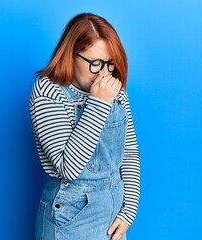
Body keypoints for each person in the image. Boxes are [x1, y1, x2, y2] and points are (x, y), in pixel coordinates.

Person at [30, 13, 140, 240]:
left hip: (111, 215)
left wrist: (128, 211)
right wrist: (98, 102)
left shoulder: (115, 90)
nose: (103, 74)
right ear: (71, 54)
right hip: (69, 219)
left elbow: (127, 153)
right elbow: (68, 169)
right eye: (95, 64)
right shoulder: (48, 92)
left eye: (109, 64)